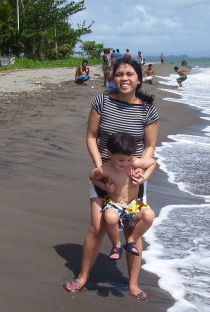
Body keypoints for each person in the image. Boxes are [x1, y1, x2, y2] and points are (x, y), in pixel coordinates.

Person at [63, 57, 159, 302]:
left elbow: (150, 147)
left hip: (132, 179)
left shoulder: (148, 109)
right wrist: (101, 169)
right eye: (119, 74)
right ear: (112, 77)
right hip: (104, 174)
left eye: (129, 74)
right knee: (97, 227)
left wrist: (138, 170)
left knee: (132, 230)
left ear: (139, 78)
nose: (124, 78)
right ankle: (83, 276)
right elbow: (91, 137)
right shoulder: (102, 101)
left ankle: (134, 283)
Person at [90, 132, 156, 261]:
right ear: (110, 154)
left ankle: (131, 241)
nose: (125, 163)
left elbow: (152, 162)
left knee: (150, 215)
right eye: (121, 160)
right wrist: (105, 187)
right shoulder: (105, 170)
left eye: (129, 159)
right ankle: (116, 244)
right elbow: (92, 177)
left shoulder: (135, 163)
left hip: (133, 205)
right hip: (114, 204)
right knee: (110, 217)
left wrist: (144, 178)